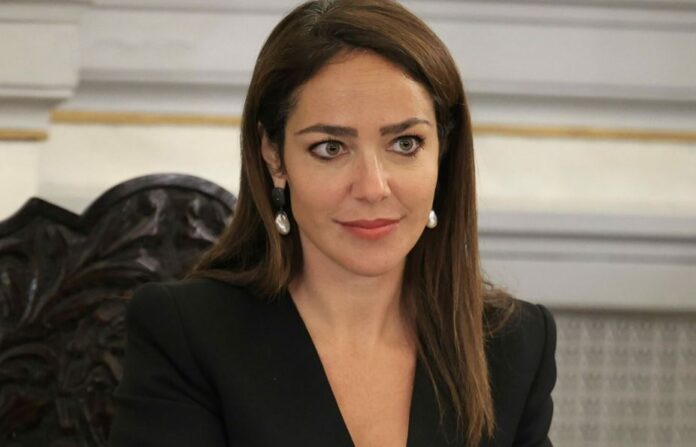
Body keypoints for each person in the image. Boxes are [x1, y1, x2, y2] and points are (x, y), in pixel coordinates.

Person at [108, 1, 556, 446]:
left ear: (443, 152)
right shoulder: (187, 335)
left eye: (405, 143)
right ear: (274, 156)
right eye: (330, 148)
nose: (373, 187)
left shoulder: (514, 345)